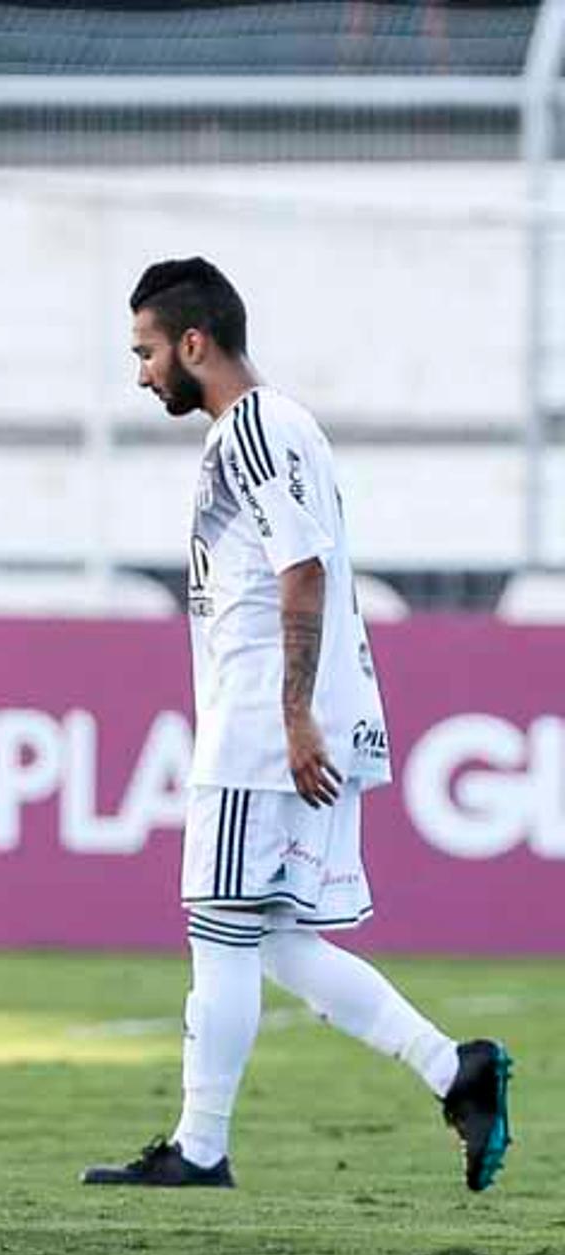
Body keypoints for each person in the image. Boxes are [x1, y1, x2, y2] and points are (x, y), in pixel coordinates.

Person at [81, 257, 513, 1192]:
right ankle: (455, 1068)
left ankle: (201, 1146)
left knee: (219, 926)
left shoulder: (254, 430)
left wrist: (289, 715)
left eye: (147, 351)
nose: (143, 372)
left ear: (194, 342)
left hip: (260, 723)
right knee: (271, 937)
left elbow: (302, 569)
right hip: (284, 714)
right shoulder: (281, 425)